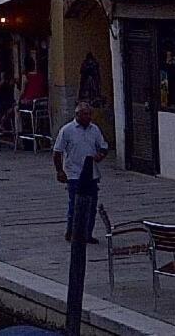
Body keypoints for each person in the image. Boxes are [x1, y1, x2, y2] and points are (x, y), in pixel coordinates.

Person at [53, 102, 108, 243]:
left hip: (92, 174)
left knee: (91, 206)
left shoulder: (94, 129)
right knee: (75, 205)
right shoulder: (67, 130)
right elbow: (57, 151)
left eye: (89, 114)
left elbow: (103, 147)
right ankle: (72, 232)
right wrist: (60, 171)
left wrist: (100, 155)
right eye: (85, 114)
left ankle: (87, 234)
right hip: (74, 174)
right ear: (77, 115)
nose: (88, 117)